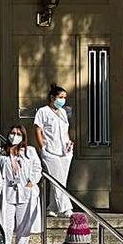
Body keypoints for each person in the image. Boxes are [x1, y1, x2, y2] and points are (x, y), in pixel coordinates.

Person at [0, 125, 43, 244]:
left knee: (24, 227)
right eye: (12, 133)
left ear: (23, 136)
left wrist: (32, 182)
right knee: (6, 227)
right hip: (7, 194)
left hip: (25, 193)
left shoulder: (29, 151)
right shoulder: (0, 152)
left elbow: (37, 168)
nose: (14, 136)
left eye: (18, 134)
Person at [34, 84, 73, 217]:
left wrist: (69, 143)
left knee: (61, 179)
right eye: (60, 97)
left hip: (65, 151)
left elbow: (65, 131)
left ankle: (52, 207)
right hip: (50, 151)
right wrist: (42, 147)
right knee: (57, 180)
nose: (63, 100)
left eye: (64, 97)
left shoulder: (63, 112)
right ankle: (66, 208)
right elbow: (38, 130)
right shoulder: (43, 111)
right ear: (52, 97)